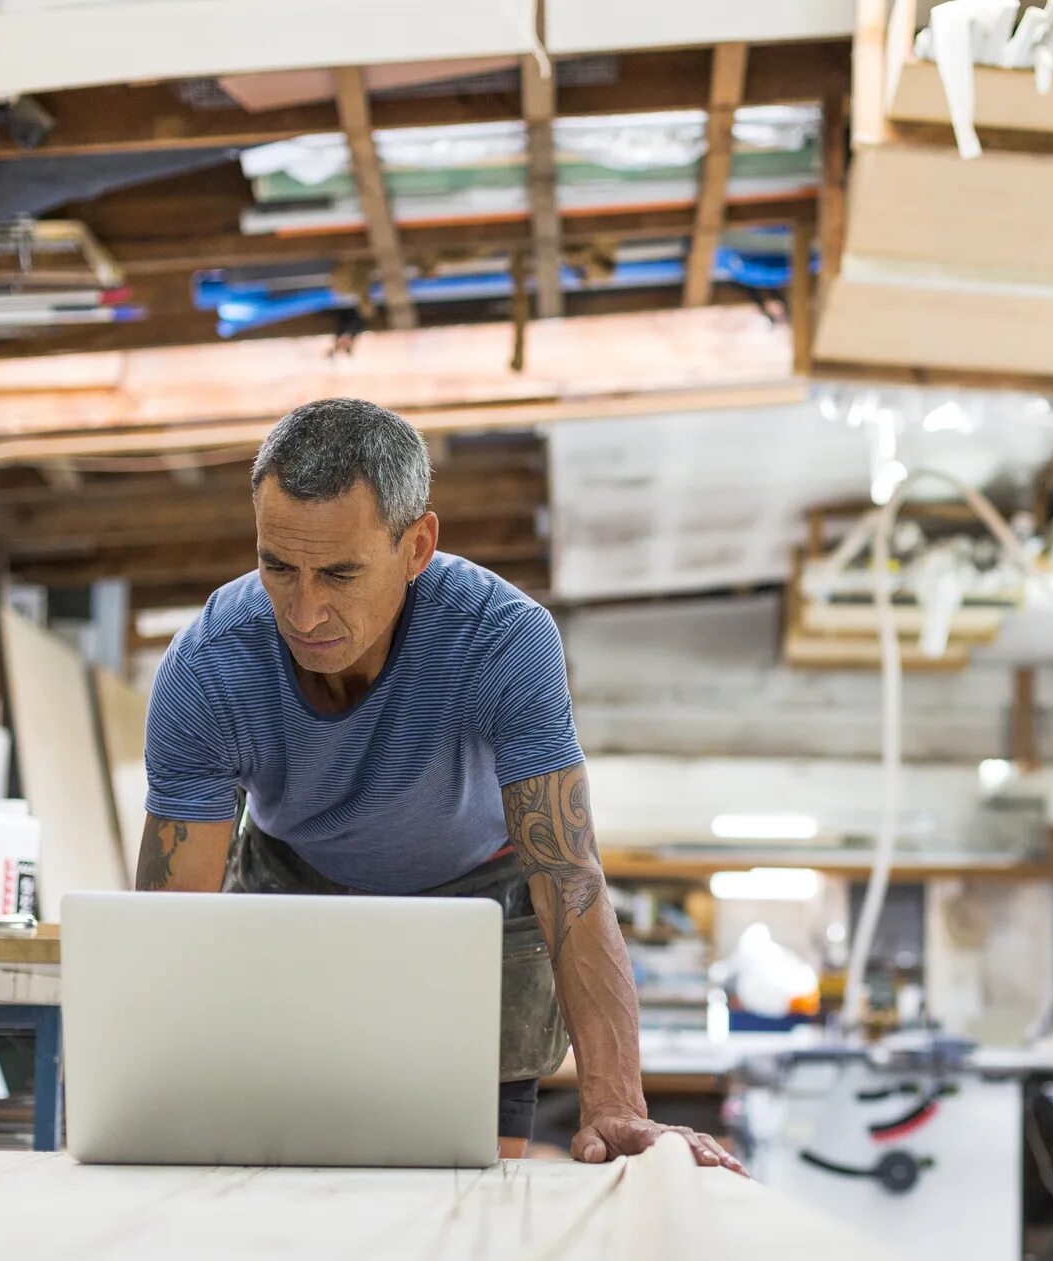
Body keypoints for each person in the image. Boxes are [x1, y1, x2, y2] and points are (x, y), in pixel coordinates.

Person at [135, 397, 743, 1172]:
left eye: (341, 572)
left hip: (481, 899)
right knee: (278, 1167)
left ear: (417, 545)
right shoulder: (210, 667)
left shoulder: (502, 641)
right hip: (293, 885)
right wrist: (153, 1103)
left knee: (469, 1186)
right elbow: (168, 924)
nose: (304, 608)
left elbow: (566, 876)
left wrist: (618, 1106)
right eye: (277, 566)